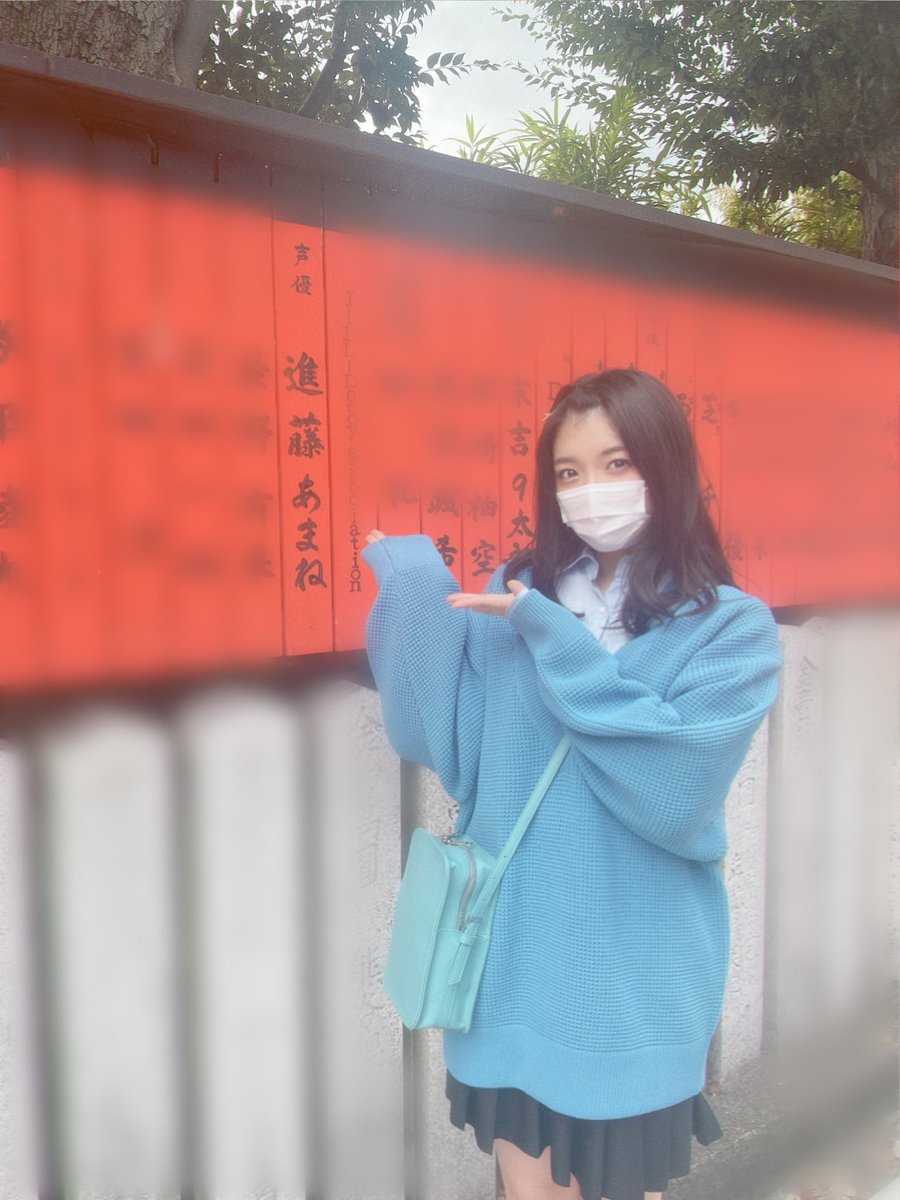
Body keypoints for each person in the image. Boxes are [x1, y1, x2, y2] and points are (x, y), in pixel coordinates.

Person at [360, 368, 784, 1200]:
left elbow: (674, 791)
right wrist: (410, 588)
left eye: (616, 463)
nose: (592, 490)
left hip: (635, 981)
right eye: (569, 471)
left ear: (665, 467)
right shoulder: (517, 593)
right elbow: (446, 743)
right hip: (514, 962)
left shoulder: (732, 628)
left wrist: (552, 636)